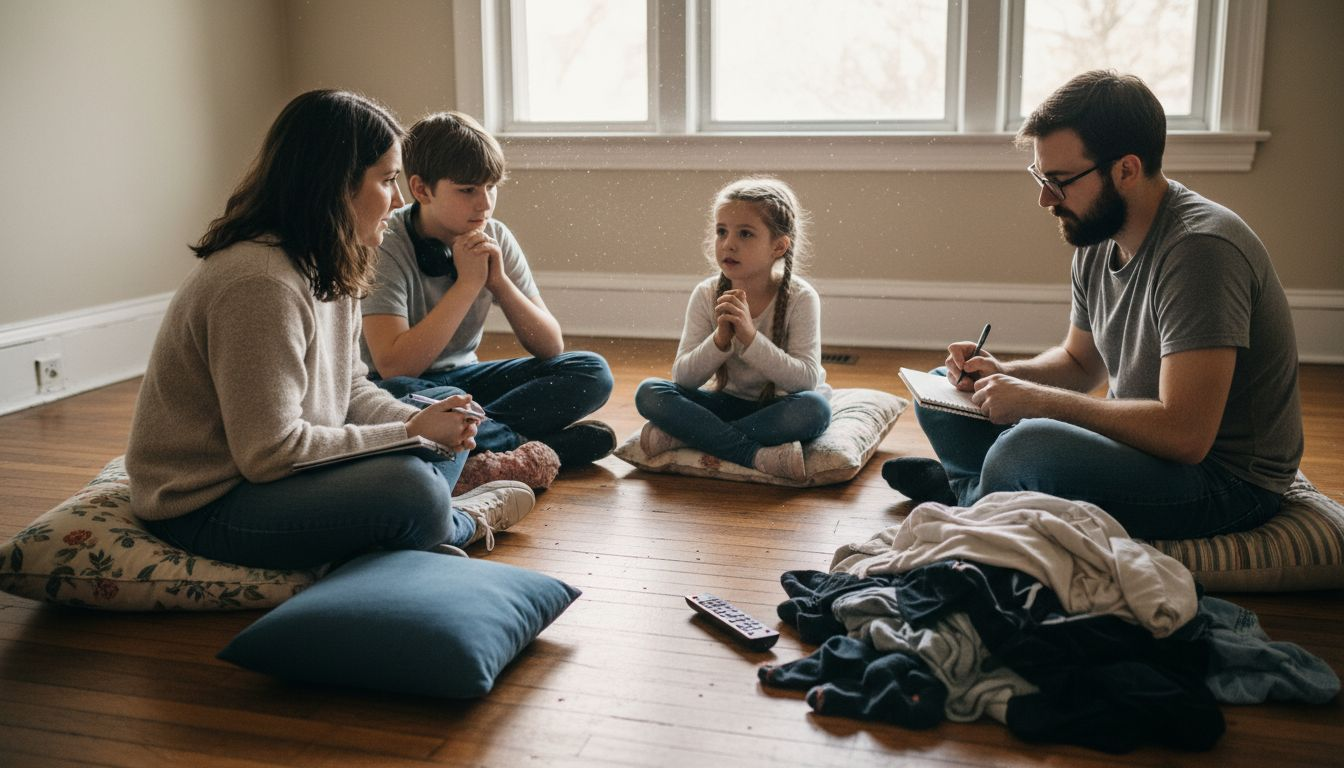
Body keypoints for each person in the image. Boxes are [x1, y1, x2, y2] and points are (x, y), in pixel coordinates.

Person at [883, 70, 1303, 540]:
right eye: (1041, 176)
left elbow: (1187, 435)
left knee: (1023, 449)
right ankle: (981, 494)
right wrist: (1005, 372)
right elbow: (1080, 363)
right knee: (945, 393)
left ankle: (976, 493)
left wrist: (1038, 403)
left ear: (1126, 169)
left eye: (1059, 180)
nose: (1045, 198)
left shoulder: (1200, 250)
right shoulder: (1098, 235)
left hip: (1224, 482)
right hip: (1141, 447)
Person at [127, 90, 535, 571]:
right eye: (386, 180)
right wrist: (407, 434)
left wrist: (421, 426)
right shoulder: (259, 283)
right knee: (413, 489)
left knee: (444, 411)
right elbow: (268, 454)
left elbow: (351, 386)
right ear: (336, 185)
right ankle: (457, 520)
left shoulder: (330, 260)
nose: (400, 199)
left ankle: (413, 530)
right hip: (212, 504)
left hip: (281, 476)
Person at [359, 111, 616, 472]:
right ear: (421, 189)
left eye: (490, 187)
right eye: (467, 190)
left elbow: (549, 346)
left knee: (591, 371)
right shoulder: (386, 243)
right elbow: (393, 365)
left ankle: (483, 444)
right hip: (404, 389)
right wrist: (466, 285)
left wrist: (499, 284)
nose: (484, 204)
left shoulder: (495, 235)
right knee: (395, 394)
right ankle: (534, 449)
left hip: (467, 384)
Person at [634, 177, 832, 481]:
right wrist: (720, 340)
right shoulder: (706, 293)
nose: (729, 243)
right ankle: (753, 455)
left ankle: (690, 437)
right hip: (724, 405)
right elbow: (684, 379)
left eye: (746, 234)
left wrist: (751, 338)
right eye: (721, 231)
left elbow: (805, 380)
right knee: (649, 392)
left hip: (777, 410)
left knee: (815, 409)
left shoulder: (800, 297)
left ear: (778, 246)